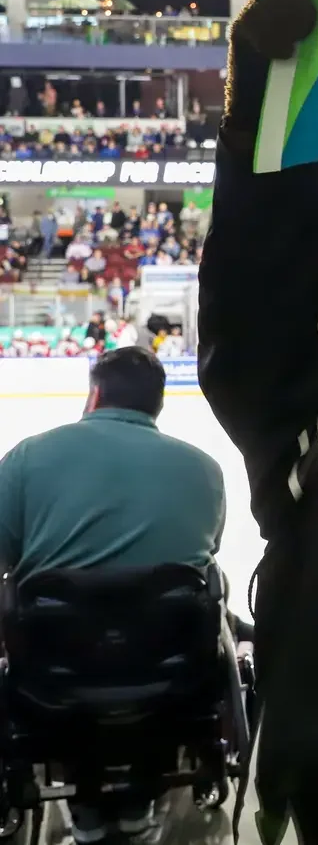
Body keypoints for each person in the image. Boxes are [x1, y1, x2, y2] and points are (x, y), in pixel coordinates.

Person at [0, 348, 225, 843]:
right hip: (170, 678)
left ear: (95, 394)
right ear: (158, 405)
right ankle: (137, 800)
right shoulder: (205, 470)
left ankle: (87, 808)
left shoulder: (26, 458)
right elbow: (203, 563)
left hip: (52, 676)